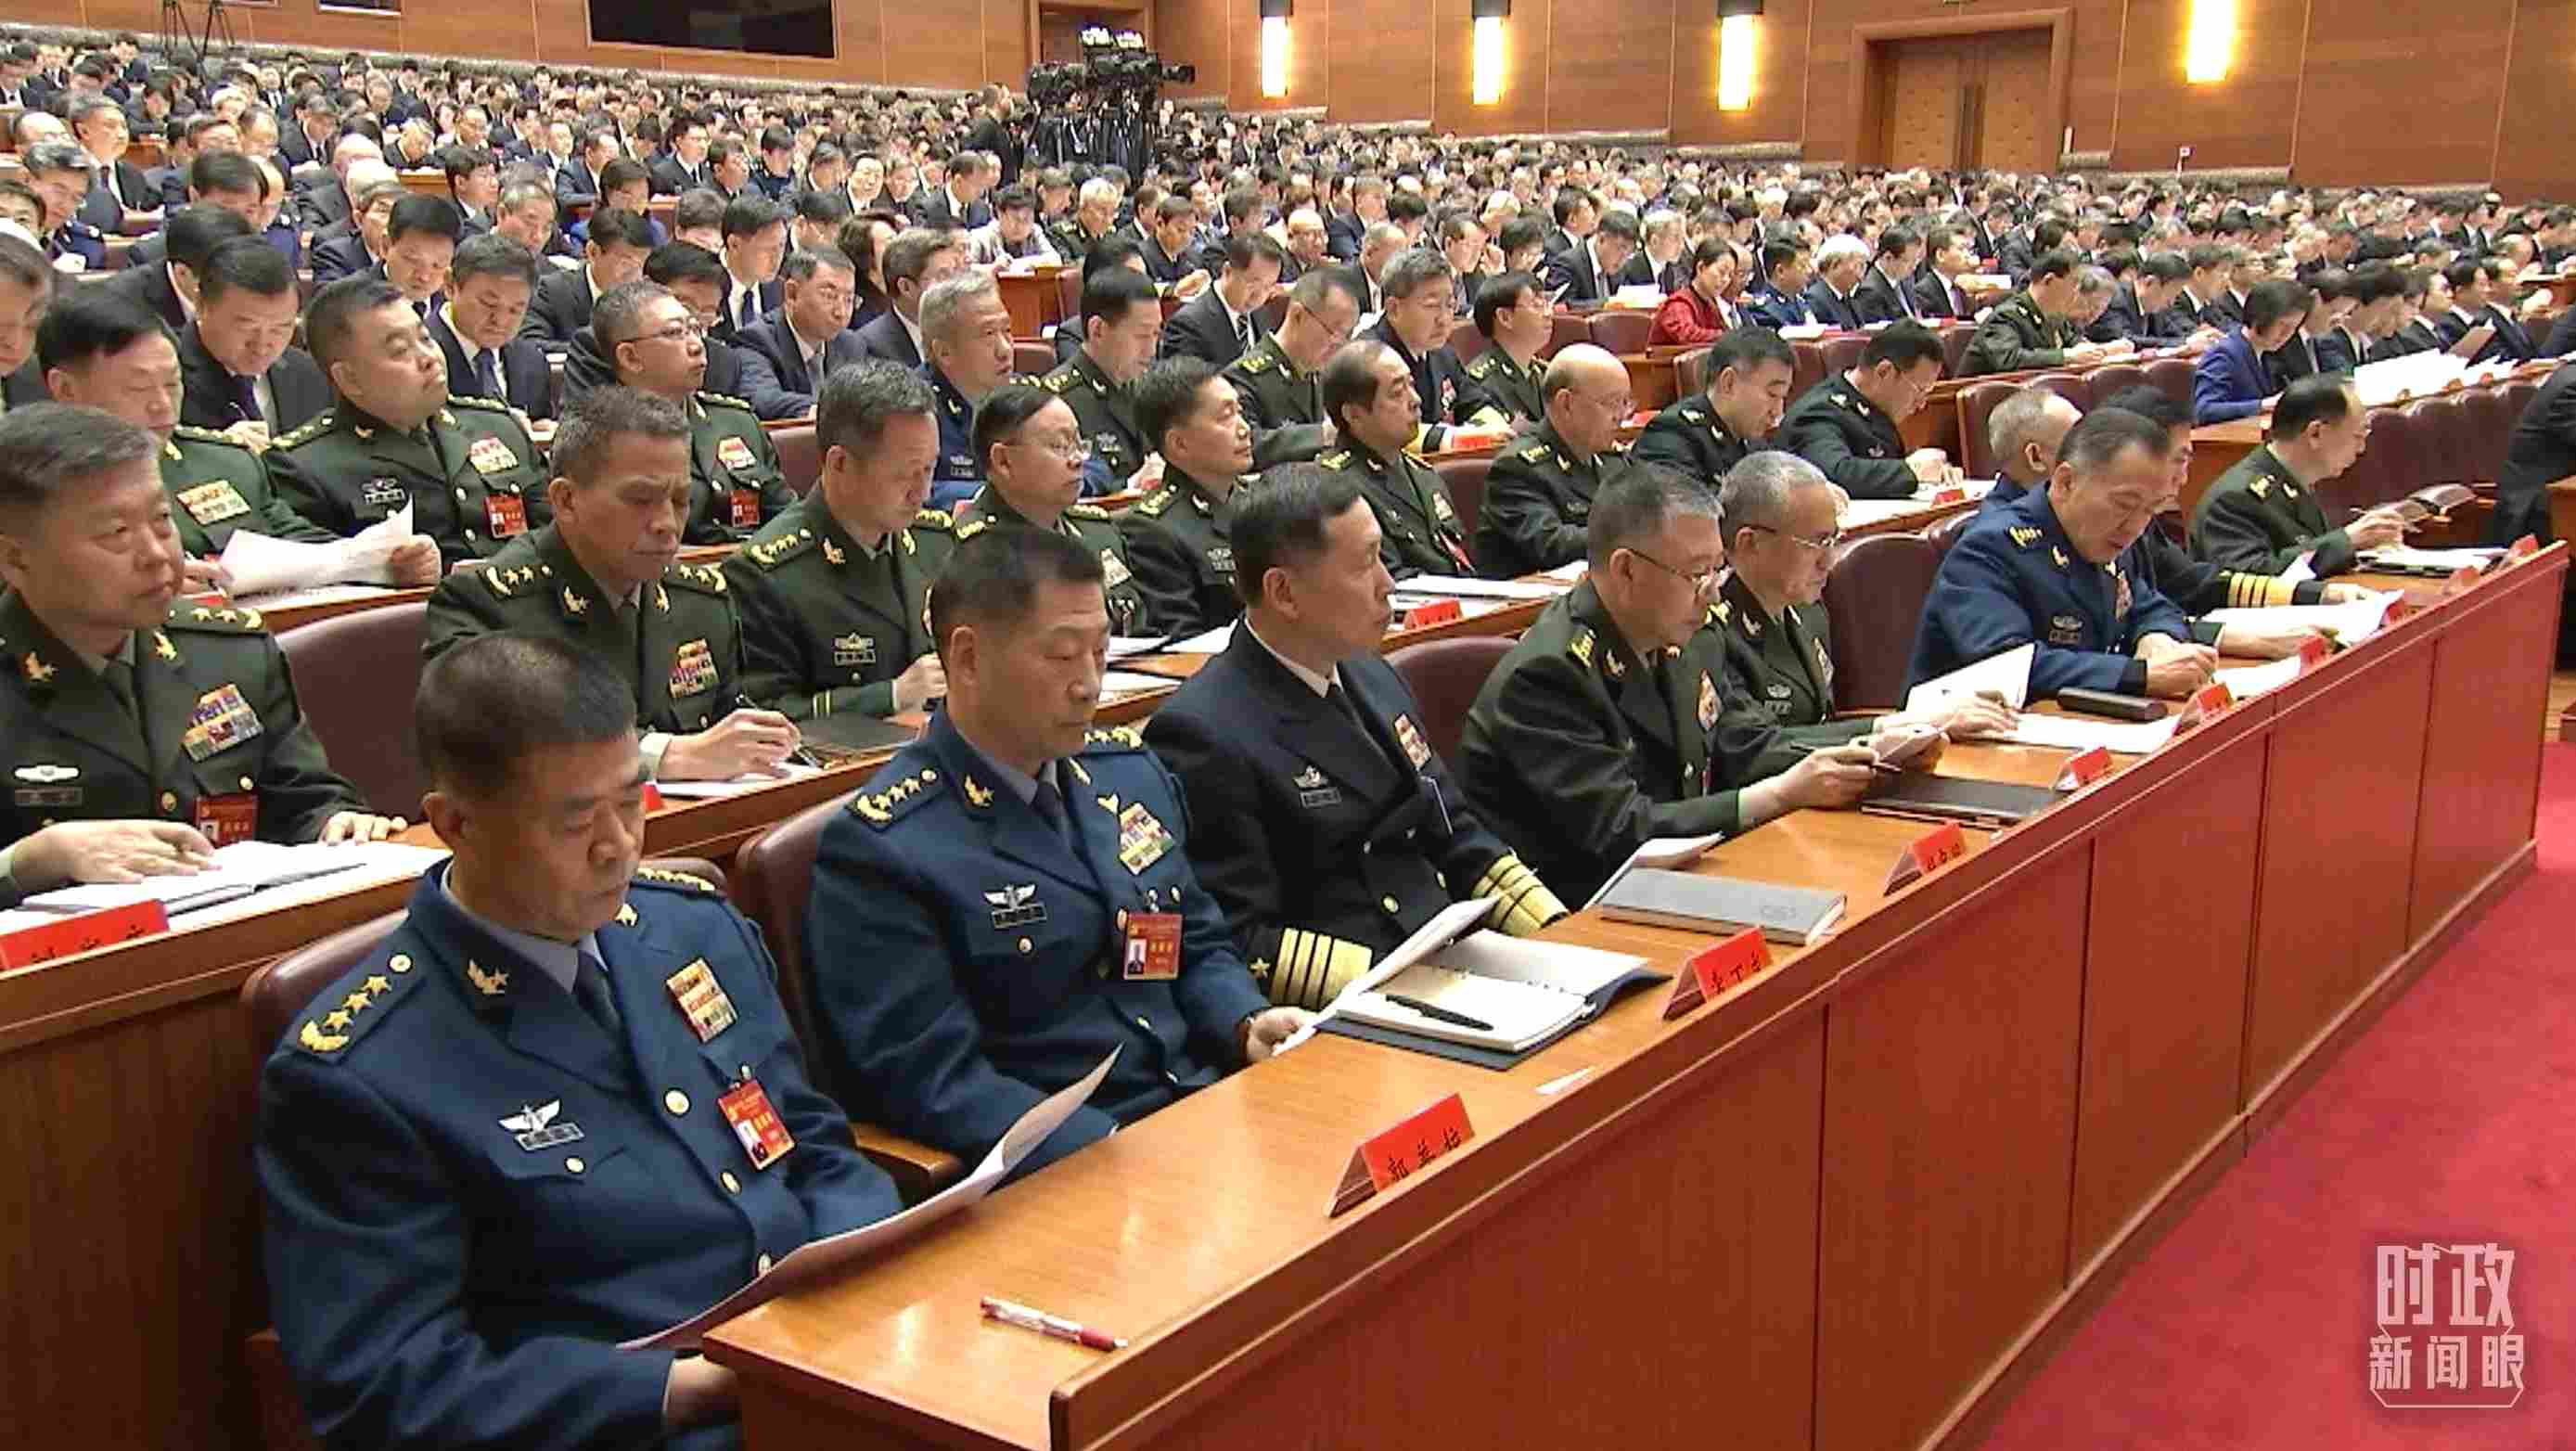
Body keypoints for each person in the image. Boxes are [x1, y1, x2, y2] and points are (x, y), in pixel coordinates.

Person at [256, 633, 902, 1451]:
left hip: (825, 1370)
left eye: (631, 803)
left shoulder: (692, 929)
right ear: (455, 824)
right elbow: (391, 1386)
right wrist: (685, 1389)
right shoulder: (359, 1072)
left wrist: (862, 1273)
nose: (618, 846)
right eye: (574, 822)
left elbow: (810, 1143)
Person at [803, 525, 1307, 1180]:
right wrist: (1111, 1149)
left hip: (1201, 1110)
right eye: (1063, 655)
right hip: (1069, 1167)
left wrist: (1243, 1020)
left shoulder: (1128, 776)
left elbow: (1192, 943)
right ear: (968, 659)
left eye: (1100, 651)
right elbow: (933, 1080)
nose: (1089, 684)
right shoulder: (885, 847)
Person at [1144, 468, 1567, 1010]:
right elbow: (1242, 937)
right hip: (1359, 995)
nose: (1388, 583)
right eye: (1365, 563)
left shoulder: (1369, 671)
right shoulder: (1203, 732)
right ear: (1283, 593)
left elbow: (1454, 830)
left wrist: (1555, 930)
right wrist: (1401, 982)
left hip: (1452, 954)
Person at [0, 404, 402, 906]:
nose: (156, 554)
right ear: (15, 558)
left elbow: (304, 799)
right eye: (116, 534)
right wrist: (29, 861)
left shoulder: (228, 650)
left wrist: (338, 822)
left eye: (161, 521)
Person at [1457, 467, 1889, 904]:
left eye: (1717, 571)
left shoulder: (1687, 637)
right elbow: (1623, 831)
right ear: (1626, 570)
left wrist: (1881, 738)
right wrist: (1776, 796)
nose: (1714, 595)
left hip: (1675, 882)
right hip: (1586, 911)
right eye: (1697, 575)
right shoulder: (1549, 677)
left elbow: (1744, 744)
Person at [424, 387, 796, 782]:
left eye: (680, 500)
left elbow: (728, 735)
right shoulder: (485, 604)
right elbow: (497, 747)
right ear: (566, 500)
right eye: (641, 499)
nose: (667, 524)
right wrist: (665, 756)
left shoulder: (702, 601)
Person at [1909, 407, 2214, 700]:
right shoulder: (1990, 548)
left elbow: (2150, 605)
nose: (2135, 526)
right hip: (1967, 729)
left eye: (2150, 510)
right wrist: (2137, 675)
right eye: (2124, 504)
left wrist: (2156, 637)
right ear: (2066, 482)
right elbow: (2009, 665)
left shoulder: (2107, 537)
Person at [1712, 452, 2013, 741]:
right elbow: (1756, 746)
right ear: (1750, 543)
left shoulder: (1807, 609)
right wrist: (1907, 724)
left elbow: (1825, 721)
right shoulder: (1713, 632)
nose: (1829, 561)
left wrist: (1930, 715)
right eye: (1815, 543)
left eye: (1833, 540)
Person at [725, 362, 956, 723]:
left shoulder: (936, 541)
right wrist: (890, 695)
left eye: (929, 469)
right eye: (904, 474)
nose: (923, 493)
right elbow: (766, 713)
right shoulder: (765, 574)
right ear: (840, 464)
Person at [268, 276, 552, 568]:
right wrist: (382, 569)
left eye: (426, 338)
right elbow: (314, 574)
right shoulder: (303, 468)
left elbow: (556, 532)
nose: (429, 358)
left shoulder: (498, 426)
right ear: (349, 378)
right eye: (400, 350)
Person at [589, 279, 791, 544]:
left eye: (695, 329)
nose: (697, 345)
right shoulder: (600, 439)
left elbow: (788, 515)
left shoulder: (737, 422)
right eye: (674, 333)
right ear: (630, 357)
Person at [953, 384, 1151, 634]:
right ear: (1004, 461)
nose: (1078, 460)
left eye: (1078, 443)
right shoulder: (974, 550)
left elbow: (1140, 625)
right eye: (1060, 446)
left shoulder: (1098, 531)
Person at [2189, 375, 2403, 578]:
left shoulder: (2296, 479)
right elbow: (2253, 578)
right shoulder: (2235, 499)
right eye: (2357, 436)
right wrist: (2347, 541)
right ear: (2315, 433)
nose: (2362, 449)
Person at [1118, 358, 1257, 635]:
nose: (1244, 429)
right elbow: (1181, 640)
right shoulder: (1153, 530)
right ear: (1179, 444)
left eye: (1239, 412)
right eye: (1225, 417)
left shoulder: (1263, 500)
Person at [1315, 340, 1476, 576]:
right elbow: (1384, 581)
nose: (1416, 400)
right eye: (1397, 393)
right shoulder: (1337, 488)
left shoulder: (1422, 473)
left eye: (1412, 385)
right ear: (1354, 414)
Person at [1475, 343, 1634, 578]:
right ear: (1566, 403)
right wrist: (1635, 535)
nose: (1620, 416)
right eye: (1611, 403)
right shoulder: (1517, 468)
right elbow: (1552, 545)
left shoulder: (1613, 461)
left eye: (1626, 403)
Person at [1777, 321, 1958, 500]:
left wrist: (1931, 469)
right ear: (1884, 371)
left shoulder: (1873, 407)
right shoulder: (1818, 412)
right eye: (1920, 390)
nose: (1922, 404)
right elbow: (1835, 473)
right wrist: (1912, 470)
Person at [179, 237, 334, 441]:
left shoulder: (309, 374)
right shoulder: (162, 377)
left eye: (280, 328)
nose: (262, 346)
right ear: (200, 305)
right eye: (246, 327)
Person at [1224, 263, 1361, 468]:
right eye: (1333, 332)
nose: (1338, 346)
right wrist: (1321, 435)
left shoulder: (1317, 370)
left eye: (1345, 336)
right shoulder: (1245, 377)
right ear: (1298, 315)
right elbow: (1243, 445)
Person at [1037, 265, 1160, 491]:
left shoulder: (1147, 386)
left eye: (1156, 334)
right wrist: (1131, 486)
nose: (1151, 350)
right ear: (1098, 330)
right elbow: (1055, 492)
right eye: (1142, 335)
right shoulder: (1055, 401)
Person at [1631, 326, 1793, 488]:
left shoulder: (1754, 442)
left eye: (1783, 396)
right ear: (1729, 383)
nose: (1777, 412)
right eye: (1773, 394)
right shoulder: (1670, 435)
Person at [731, 245, 866, 420]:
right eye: (829, 296)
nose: (841, 312)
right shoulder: (756, 340)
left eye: (849, 299)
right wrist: (825, 412)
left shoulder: (851, 345)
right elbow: (763, 399)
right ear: (792, 294)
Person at [429, 232, 554, 422]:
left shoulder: (532, 362)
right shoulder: (419, 356)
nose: (501, 321)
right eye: (489, 304)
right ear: (450, 285)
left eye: (515, 310)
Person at [1364, 248, 1473, 449]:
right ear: (1394, 309)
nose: (1444, 319)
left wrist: (1494, 429)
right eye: (1431, 305)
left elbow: (1474, 400)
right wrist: (1462, 439)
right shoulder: (1368, 358)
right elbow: (1388, 430)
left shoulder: (1441, 351)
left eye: (1450, 305)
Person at [1958, 250, 2115, 376]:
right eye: (2073, 284)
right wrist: (2067, 356)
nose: (2076, 292)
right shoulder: (2006, 316)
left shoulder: (2055, 315)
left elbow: (2072, 341)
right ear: (2049, 280)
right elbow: (2009, 359)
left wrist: (2096, 351)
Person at [518, 207, 657, 345]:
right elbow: (531, 343)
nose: (635, 274)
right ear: (593, 252)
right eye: (627, 263)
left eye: (642, 264)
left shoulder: (645, 301)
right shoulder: (551, 291)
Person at [2192, 278, 2311, 424]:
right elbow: (2205, 410)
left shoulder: (2267, 354)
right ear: (2260, 316)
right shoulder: (2225, 353)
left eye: (2294, 328)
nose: (2287, 334)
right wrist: (2263, 405)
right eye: (2283, 325)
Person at [1160, 232, 1284, 368]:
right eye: (1252, 285)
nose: (1259, 296)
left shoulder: (1261, 313)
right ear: (1227, 271)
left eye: (1268, 287)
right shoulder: (1187, 324)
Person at [852, 228, 962, 369]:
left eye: (955, 273)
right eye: (943, 276)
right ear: (906, 287)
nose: (955, 284)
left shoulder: (963, 328)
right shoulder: (870, 347)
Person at [1455, 270, 1553, 427]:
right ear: (1505, 317)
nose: (1548, 313)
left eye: (1546, 304)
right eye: (1537, 305)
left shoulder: (1544, 372)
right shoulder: (1481, 384)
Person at [1647, 238, 1740, 346]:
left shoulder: (1711, 305)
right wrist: (1726, 336)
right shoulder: (1679, 303)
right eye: (1721, 272)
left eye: (1730, 275)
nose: (1725, 280)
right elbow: (1686, 335)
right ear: (1701, 268)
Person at [1541, 208, 1638, 305]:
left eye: (1629, 253)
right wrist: (1608, 304)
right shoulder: (1567, 264)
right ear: (1601, 239)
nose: (1623, 259)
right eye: (1621, 249)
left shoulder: (1621, 268)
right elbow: (1561, 307)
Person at [1739, 238, 1818, 329]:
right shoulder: (1764, 310)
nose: (1809, 271)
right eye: (1803, 266)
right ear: (1780, 271)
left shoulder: (1801, 302)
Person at [1854, 226, 1926, 324]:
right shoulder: (1870, 291)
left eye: (1916, 260)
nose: (1913, 267)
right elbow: (1880, 331)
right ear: (1888, 258)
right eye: (1908, 261)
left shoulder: (1904, 281)